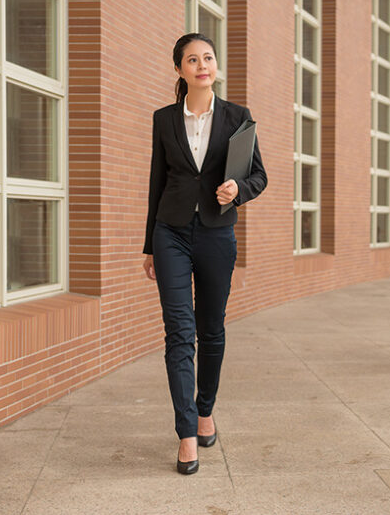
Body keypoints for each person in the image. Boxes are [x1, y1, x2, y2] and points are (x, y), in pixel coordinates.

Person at [142, 33, 267, 475]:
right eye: (192, 59)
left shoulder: (238, 116)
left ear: (215, 66)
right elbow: (157, 183)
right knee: (179, 332)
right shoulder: (163, 119)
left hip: (216, 234)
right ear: (179, 69)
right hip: (170, 233)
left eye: (208, 58)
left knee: (210, 329)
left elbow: (258, 175)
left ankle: (206, 407)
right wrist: (149, 247)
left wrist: (238, 191)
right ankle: (187, 433)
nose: (201, 65)